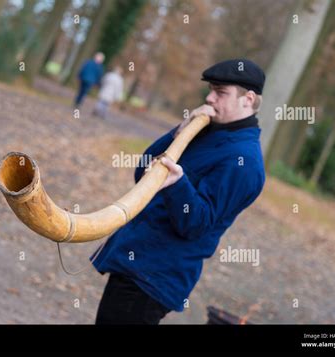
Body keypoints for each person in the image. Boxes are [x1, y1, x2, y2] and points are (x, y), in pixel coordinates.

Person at [91, 59, 267, 324]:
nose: (209, 98)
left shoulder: (245, 162)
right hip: (134, 262)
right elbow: (144, 172)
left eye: (220, 93)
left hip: (153, 278)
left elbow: (196, 224)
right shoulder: (207, 131)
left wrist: (178, 184)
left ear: (248, 99)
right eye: (210, 90)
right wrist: (178, 132)